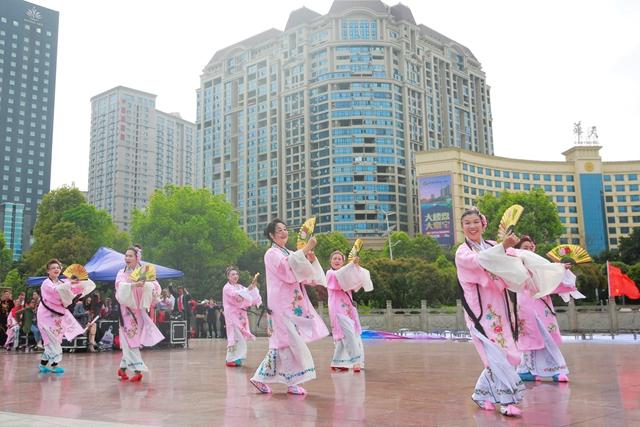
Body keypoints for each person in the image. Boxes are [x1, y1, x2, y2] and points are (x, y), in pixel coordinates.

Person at [455, 208, 524, 417]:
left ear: (483, 225)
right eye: (467, 223)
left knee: (507, 353)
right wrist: (503, 247)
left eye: (476, 222)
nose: (472, 226)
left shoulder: (493, 245)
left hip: (501, 307)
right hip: (480, 313)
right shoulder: (462, 252)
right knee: (496, 354)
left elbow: (515, 260)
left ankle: (482, 394)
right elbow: (479, 261)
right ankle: (507, 401)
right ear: (462, 227)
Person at [250, 218, 329, 395]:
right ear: (272, 235)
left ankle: (260, 377)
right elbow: (285, 269)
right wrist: (305, 249)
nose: (284, 232)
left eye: (285, 229)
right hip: (281, 304)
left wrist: (311, 260)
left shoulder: (290, 252)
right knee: (289, 341)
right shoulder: (271, 253)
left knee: (284, 342)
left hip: (291, 303)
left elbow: (303, 274)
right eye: (279, 230)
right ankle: (292, 382)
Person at [512, 236, 578, 383]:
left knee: (547, 338)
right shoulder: (515, 266)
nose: (529, 251)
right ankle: (526, 370)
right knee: (529, 340)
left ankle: (556, 370)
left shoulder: (541, 267)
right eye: (525, 248)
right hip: (525, 306)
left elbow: (552, 283)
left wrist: (561, 270)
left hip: (542, 306)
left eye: (531, 248)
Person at [115, 246, 164, 382]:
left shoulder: (144, 272)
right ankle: (138, 370)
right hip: (126, 311)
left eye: (130, 256)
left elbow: (156, 286)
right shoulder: (121, 273)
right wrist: (133, 285)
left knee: (132, 340)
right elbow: (119, 287)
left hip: (139, 311)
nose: (127, 258)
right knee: (131, 339)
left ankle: (122, 369)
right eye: (126, 255)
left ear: (137, 258)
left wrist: (147, 285)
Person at [36, 259, 86, 373]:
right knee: (52, 340)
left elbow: (73, 290)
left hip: (57, 315)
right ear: (48, 271)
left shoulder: (62, 282)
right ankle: (55, 365)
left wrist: (78, 285)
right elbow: (56, 292)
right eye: (53, 268)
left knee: (53, 340)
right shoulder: (46, 283)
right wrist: (70, 284)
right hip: (46, 315)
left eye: (58, 267)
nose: (56, 269)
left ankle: (42, 365)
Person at [326, 251, 365, 372]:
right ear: (330, 261)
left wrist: (356, 266)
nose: (337, 261)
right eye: (335, 258)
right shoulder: (330, 273)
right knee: (347, 333)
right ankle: (356, 362)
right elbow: (339, 280)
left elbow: (357, 283)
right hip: (337, 308)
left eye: (339, 259)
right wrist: (351, 265)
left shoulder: (346, 273)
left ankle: (338, 362)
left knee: (349, 334)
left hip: (348, 308)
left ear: (343, 262)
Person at [222, 266, 262, 367]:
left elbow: (245, 294)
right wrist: (248, 289)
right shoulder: (227, 288)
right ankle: (231, 359)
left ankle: (237, 358)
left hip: (240, 315)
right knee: (236, 337)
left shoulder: (239, 286)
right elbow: (238, 296)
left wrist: (252, 288)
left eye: (236, 274)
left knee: (240, 338)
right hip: (232, 316)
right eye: (233, 274)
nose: (235, 276)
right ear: (228, 277)